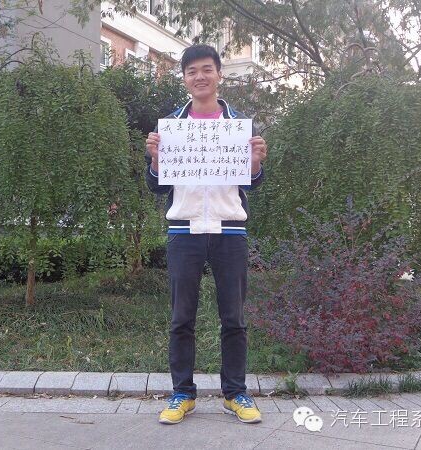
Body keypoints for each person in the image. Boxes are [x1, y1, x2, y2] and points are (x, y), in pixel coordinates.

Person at [145, 44, 268, 425]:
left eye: (206, 69)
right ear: (184, 78)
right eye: (192, 71)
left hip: (230, 230)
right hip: (184, 230)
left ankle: (235, 393)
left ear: (219, 74)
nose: (199, 76)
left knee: (234, 318)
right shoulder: (171, 127)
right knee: (181, 317)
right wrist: (155, 160)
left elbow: (252, 183)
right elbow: (157, 187)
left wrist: (255, 164)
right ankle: (182, 393)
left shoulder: (239, 125)